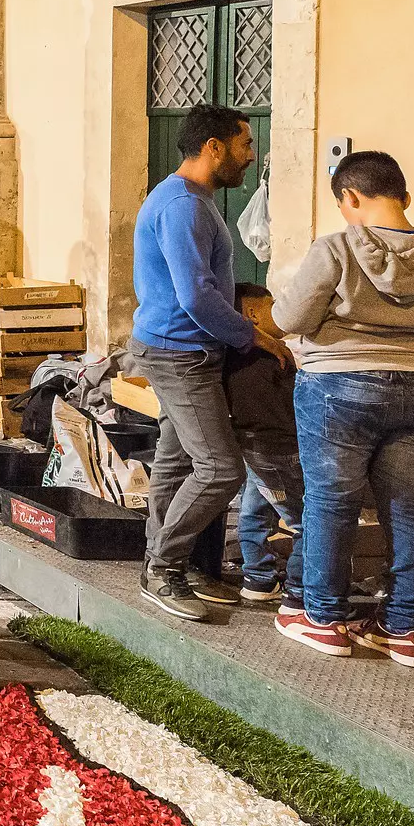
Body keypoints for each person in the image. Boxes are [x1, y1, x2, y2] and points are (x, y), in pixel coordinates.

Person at [272, 151, 414, 669]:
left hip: (337, 386)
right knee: (408, 507)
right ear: (405, 198)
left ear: (350, 198)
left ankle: (323, 619)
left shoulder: (335, 249)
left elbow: (287, 317)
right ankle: (406, 630)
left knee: (331, 501)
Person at [128, 105, 287, 621]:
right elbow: (196, 296)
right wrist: (253, 338)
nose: (251, 155)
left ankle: (170, 563)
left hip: (185, 351)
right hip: (179, 352)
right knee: (221, 469)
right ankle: (163, 568)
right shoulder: (183, 206)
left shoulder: (195, 201)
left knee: (175, 465)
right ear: (213, 147)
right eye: (244, 145)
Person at [225, 284, 304, 607]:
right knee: (306, 521)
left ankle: (258, 579)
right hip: (279, 449)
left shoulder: (231, 355)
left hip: (253, 447)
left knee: (255, 510)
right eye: (274, 304)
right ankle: (301, 591)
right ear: (253, 314)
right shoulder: (272, 357)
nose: (282, 310)